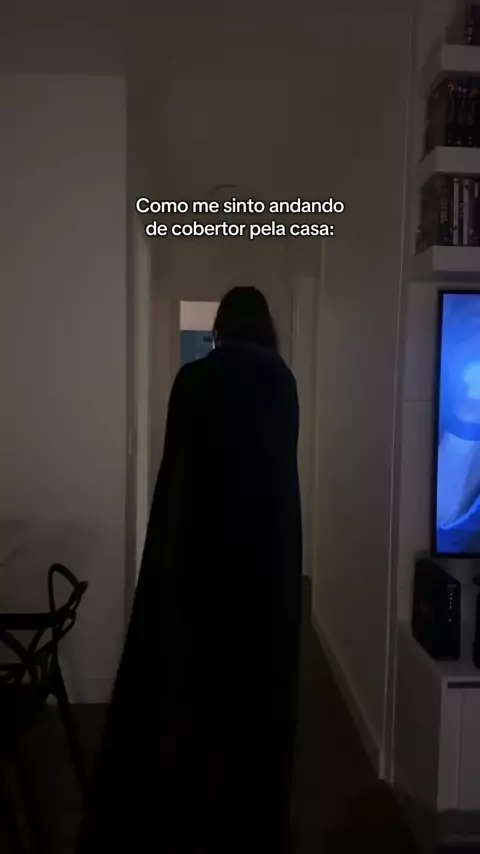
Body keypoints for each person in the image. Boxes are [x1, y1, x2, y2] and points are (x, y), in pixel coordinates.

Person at [76, 286, 303, 854]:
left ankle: (189, 812)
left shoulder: (195, 380)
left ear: (222, 326)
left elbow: (176, 484)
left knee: (196, 699)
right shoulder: (283, 384)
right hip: (263, 573)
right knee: (252, 702)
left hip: (202, 565)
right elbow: (281, 492)